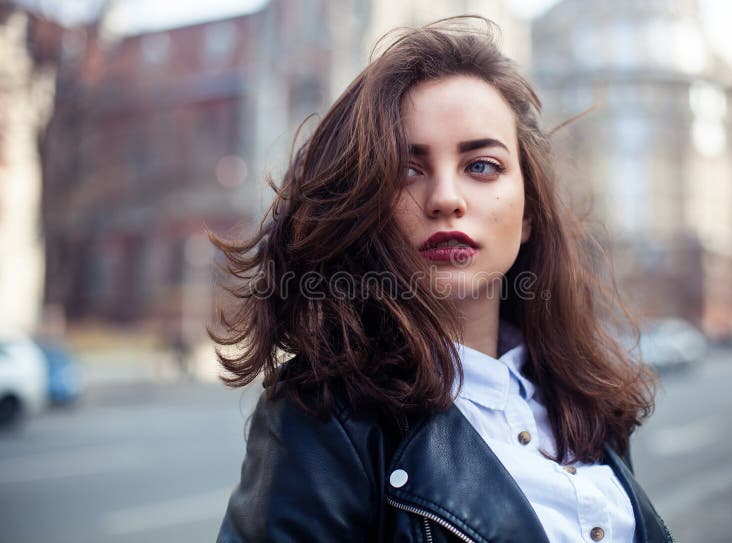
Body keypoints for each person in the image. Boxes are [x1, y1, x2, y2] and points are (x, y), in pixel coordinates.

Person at [210, 16, 672, 543]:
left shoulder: (582, 400)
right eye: (407, 169)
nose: (446, 198)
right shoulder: (323, 419)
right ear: (365, 208)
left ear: (527, 215)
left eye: (481, 166)